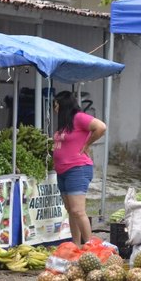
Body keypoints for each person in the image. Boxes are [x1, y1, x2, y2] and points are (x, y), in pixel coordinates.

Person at [52, 91, 106, 246]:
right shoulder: (65, 124)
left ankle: (90, 246)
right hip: (62, 171)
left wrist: (87, 144)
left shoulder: (79, 117)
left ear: (63, 104)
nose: (55, 108)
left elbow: (101, 127)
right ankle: (76, 245)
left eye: (56, 104)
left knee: (78, 210)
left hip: (77, 169)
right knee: (71, 211)